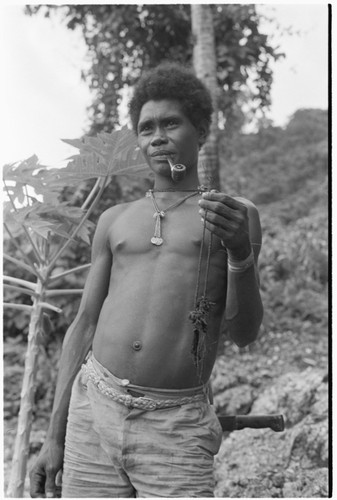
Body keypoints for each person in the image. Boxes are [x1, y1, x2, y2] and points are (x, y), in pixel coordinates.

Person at [30, 62, 263, 498]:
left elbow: (245, 332)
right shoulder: (114, 220)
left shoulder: (234, 215)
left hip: (175, 426)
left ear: (201, 131)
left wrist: (239, 252)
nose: (157, 136)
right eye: (146, 127)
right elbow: (83, 326)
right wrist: (54, 434)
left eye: (171, 123)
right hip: (92, 413)